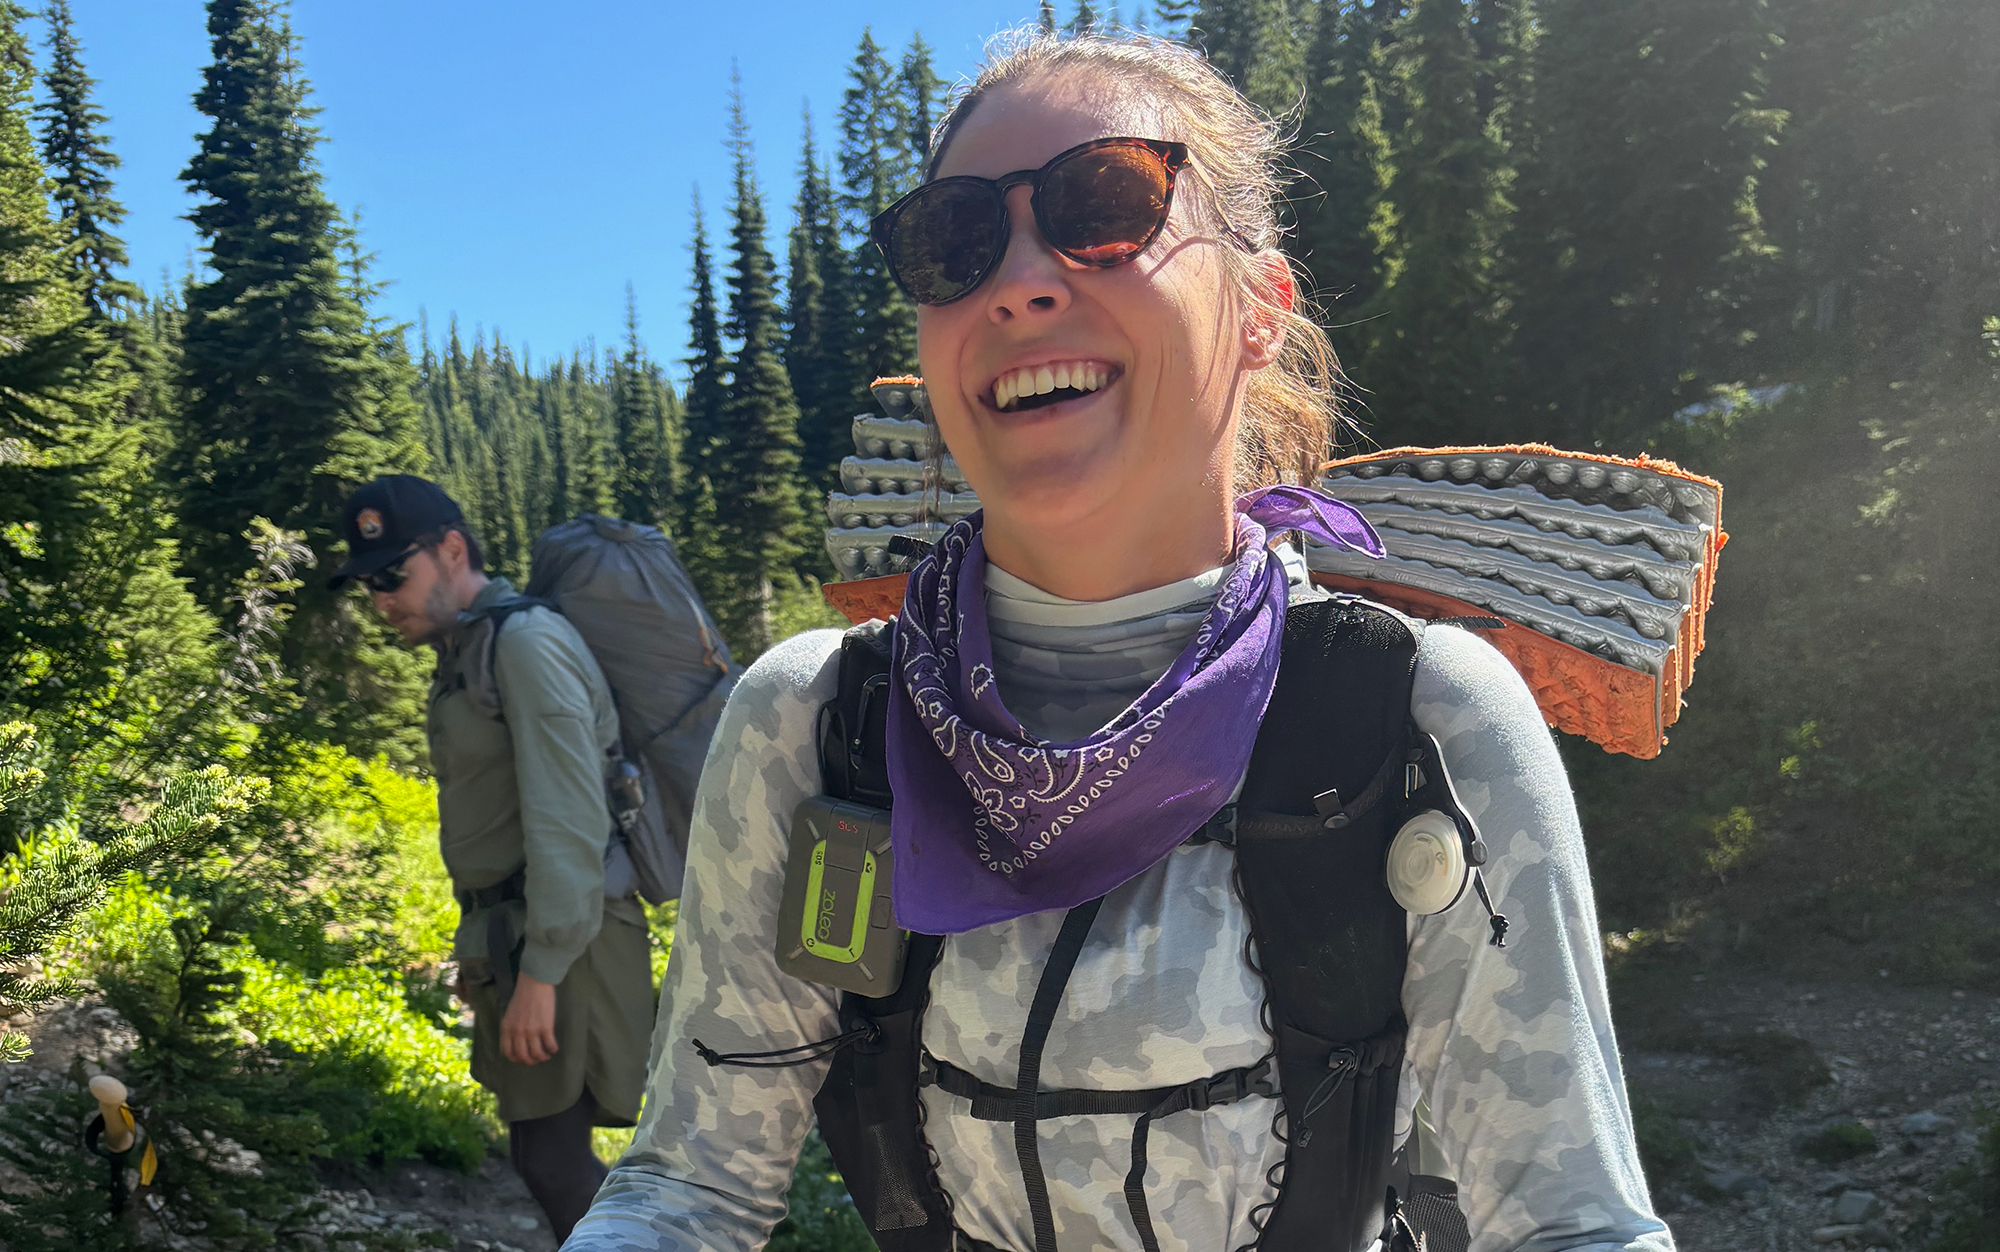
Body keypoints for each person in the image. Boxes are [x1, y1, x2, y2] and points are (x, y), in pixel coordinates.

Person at [567, 29, 1673, 1252]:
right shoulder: (815, 727)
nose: (1019, 280)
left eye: (1108, 204)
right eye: (953, 240)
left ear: (1260, 308)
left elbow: (1572, 1226)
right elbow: (690, 1188)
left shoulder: (1415, 716)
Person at [326, 475, 654, 1242]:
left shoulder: (526, 644)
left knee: (551, 1156)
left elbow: (570, 818)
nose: (379, 599)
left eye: (391, 577)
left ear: (451, 551)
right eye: (366, 584)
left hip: (567, 938)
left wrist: (541, 973)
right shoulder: (469, 647)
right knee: (545, 1151)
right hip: (519, 933)